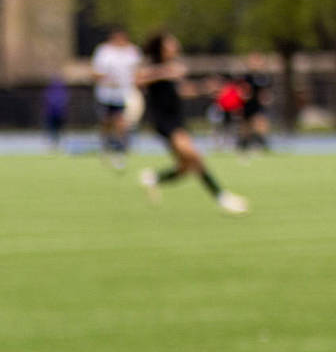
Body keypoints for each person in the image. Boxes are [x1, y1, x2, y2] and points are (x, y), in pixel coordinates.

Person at [134, 34, 246, 214]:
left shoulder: (176, 67)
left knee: (185, 166)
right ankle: (221, 196)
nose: (175, 45)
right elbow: (138, 80)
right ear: (162, 47)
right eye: (170, 42)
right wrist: (164, 73)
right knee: (194, 156)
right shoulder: (153, 67)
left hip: (177, 119)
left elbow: (182, 91)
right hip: (164, 121)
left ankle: (155, 178)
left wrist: (204, 88)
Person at [91, 27, 141, 170]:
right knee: (106, 121)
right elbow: (95, 72)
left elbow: (137, 72)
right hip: (105, 94)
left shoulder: (132, 52)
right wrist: (106, 78)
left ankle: (121, 147)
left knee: (120, 120)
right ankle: (105, 145)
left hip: (122, 94)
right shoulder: (104, 51)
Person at [41, 76, 69, 151]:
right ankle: (54, 143)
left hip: (57, 114)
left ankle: (57, 144)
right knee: (53, 129)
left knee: (56, 129)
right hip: (53, 114)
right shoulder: (53, 91)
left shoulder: (57, 91)